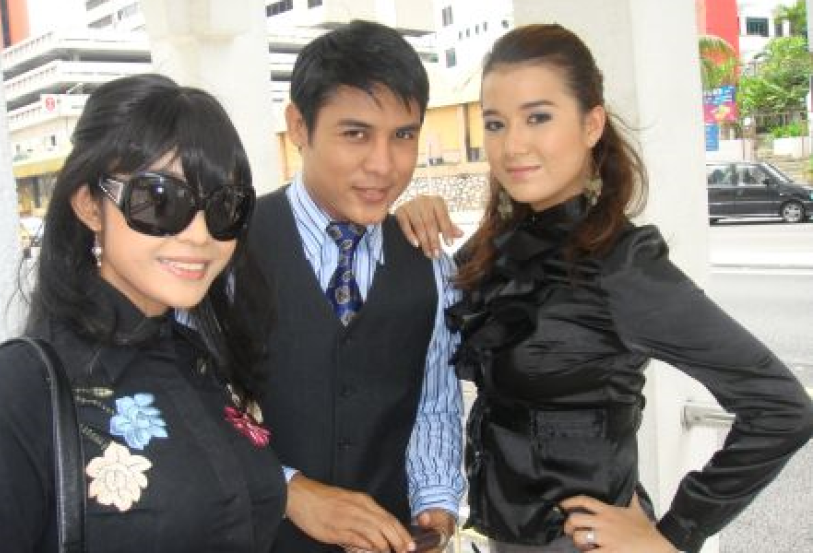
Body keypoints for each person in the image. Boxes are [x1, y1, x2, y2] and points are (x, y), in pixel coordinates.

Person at [395, 24, 813, 553]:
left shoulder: (621, 264)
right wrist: (409, 224)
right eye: (496, 123)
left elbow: (782, 408)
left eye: (538, 117)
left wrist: (674, 534)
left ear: (591, 124)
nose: (512, 144)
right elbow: (418, 338)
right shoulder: (499, 248)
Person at [0, 74, 286, 552]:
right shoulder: (22, 386)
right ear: (89, 205)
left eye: (224, 207)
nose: (199, 235)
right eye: (161, 200)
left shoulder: (203, 357)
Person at [235, 20, 464, 553]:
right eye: (355, 134)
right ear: (298, 125)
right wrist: (286, 488)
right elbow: (191, 409)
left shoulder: (429, 263)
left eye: (403, 135)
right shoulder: (226, 251)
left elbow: (432, 404)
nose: (383, 165)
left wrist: (435, 510)